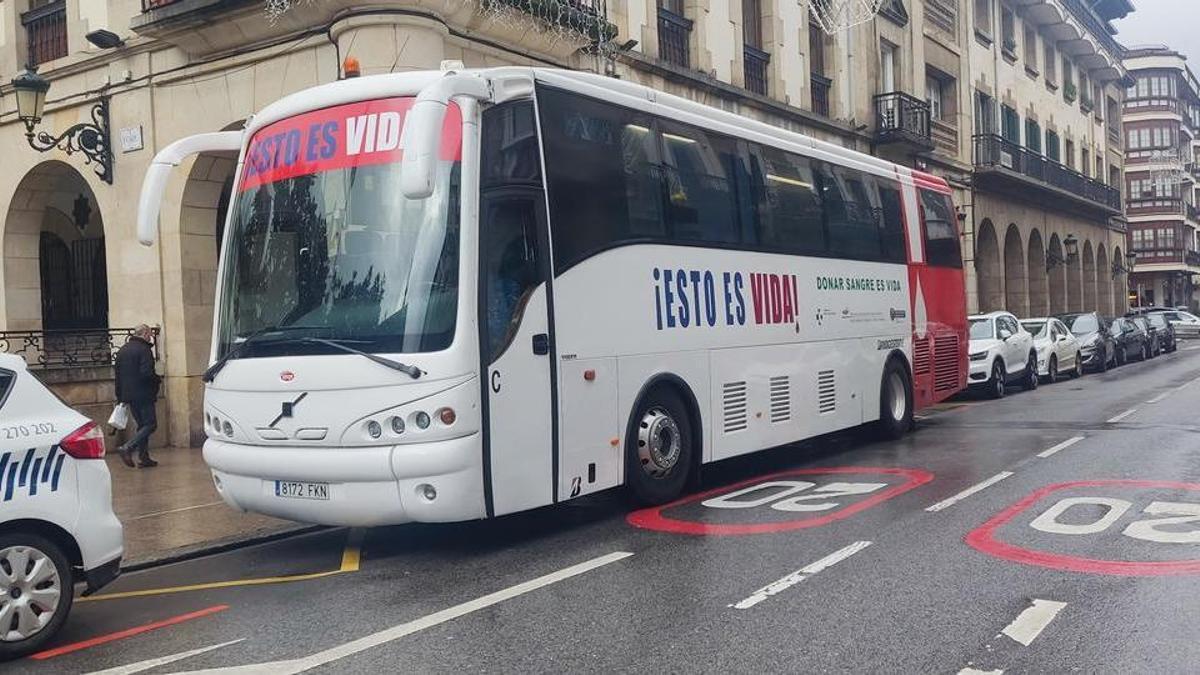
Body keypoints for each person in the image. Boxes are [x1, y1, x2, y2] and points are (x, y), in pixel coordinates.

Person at [114, 325, 161, 468]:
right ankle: (128, 447)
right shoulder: (144, 350)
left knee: (142, 425)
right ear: (145, 333)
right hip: (143, 393)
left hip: (128, 395)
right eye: (150, 334)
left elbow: (118, 376)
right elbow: (147, 373)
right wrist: (157, 380)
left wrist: (120, 397)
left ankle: (144, 457)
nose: (151, 337)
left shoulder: (123, 350)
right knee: (150, 424)